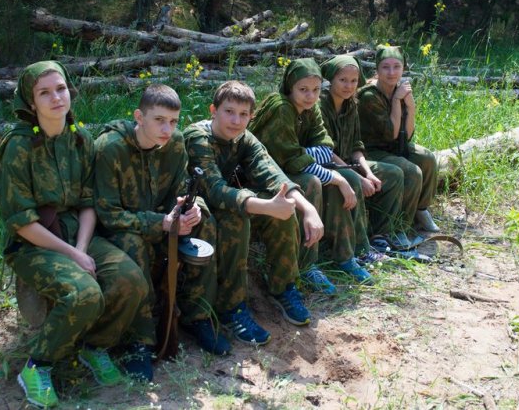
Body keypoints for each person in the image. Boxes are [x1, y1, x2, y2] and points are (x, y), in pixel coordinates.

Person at [0, 61, 149, 408]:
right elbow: (21, 222)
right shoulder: (18, 147)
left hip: (76, 233)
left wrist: (82, 248)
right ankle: (38, 365)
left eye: (60, 89)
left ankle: (94, 346)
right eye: (44, 93)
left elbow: (88, 203)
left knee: (131, 280)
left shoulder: (80, 138)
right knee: (85, 294)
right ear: (31, 103)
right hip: (33, 242)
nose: (55, 98)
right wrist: (73, 255)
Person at [93, 84, 230, 358]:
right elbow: (107, 215)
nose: (167, 130)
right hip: (117, 231)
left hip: (160, 220)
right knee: (133, 243)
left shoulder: (174, 143)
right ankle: (139, 339)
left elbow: (180, 188)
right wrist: (161, 223)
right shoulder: (110, 148)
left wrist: (192, 208)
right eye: (159, 120)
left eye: (173, 121)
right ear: (139, 117)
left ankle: (196, 315)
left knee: (206, 223)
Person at [183, 80, 321, 342]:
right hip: (199, 212)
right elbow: (214, 190)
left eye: (244, 114)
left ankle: (283, 287)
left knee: (279, 209)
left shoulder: (243, 137)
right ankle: (231, 308)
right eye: (229, 111)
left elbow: (271, 172)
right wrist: (265, 206)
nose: (236, 120)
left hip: (230, 205)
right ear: (213, 110)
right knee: (240, 219)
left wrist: (308, 208)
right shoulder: (197, 137)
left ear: (251, 116)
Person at [249, 58, 367, 294]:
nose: (310, 96)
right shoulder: (281, 107)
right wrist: (334, 176)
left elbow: (325, 146)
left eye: (315, 90)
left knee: (350, 178)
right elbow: (287, 158)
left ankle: (343, 254)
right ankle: (306, 264)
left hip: (291, 167)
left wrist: (305, 155)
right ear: (290, 87)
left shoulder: (310, 108)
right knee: (315, 182)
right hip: (265, 176)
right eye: (303, 90)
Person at [318, 54, 404, 263]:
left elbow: (357, 146)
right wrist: (357, 175)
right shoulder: (320, 105)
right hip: (327, 163)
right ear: (332, 80)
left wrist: (368, 172)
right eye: (343, 80)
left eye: (354, 81)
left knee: (393, 174)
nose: (349, 86)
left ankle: (381, 236)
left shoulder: (351, 105)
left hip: (348, 161)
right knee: (353, 179)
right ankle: (360, 249)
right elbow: (324, 150)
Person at [357, 45, 441, 248]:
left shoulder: (400, 89)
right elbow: (391, 133)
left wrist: (410, 106)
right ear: (377, 69)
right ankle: (397, 227)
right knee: (411, 171)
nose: (392, 72)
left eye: (397, 66)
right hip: (371, 150)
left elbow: (408, 134)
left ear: (403, 68)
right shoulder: (370, 96)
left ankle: (420, 209)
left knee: (427, 158)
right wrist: (396, 101)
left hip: (393, 145)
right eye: (385, 67)